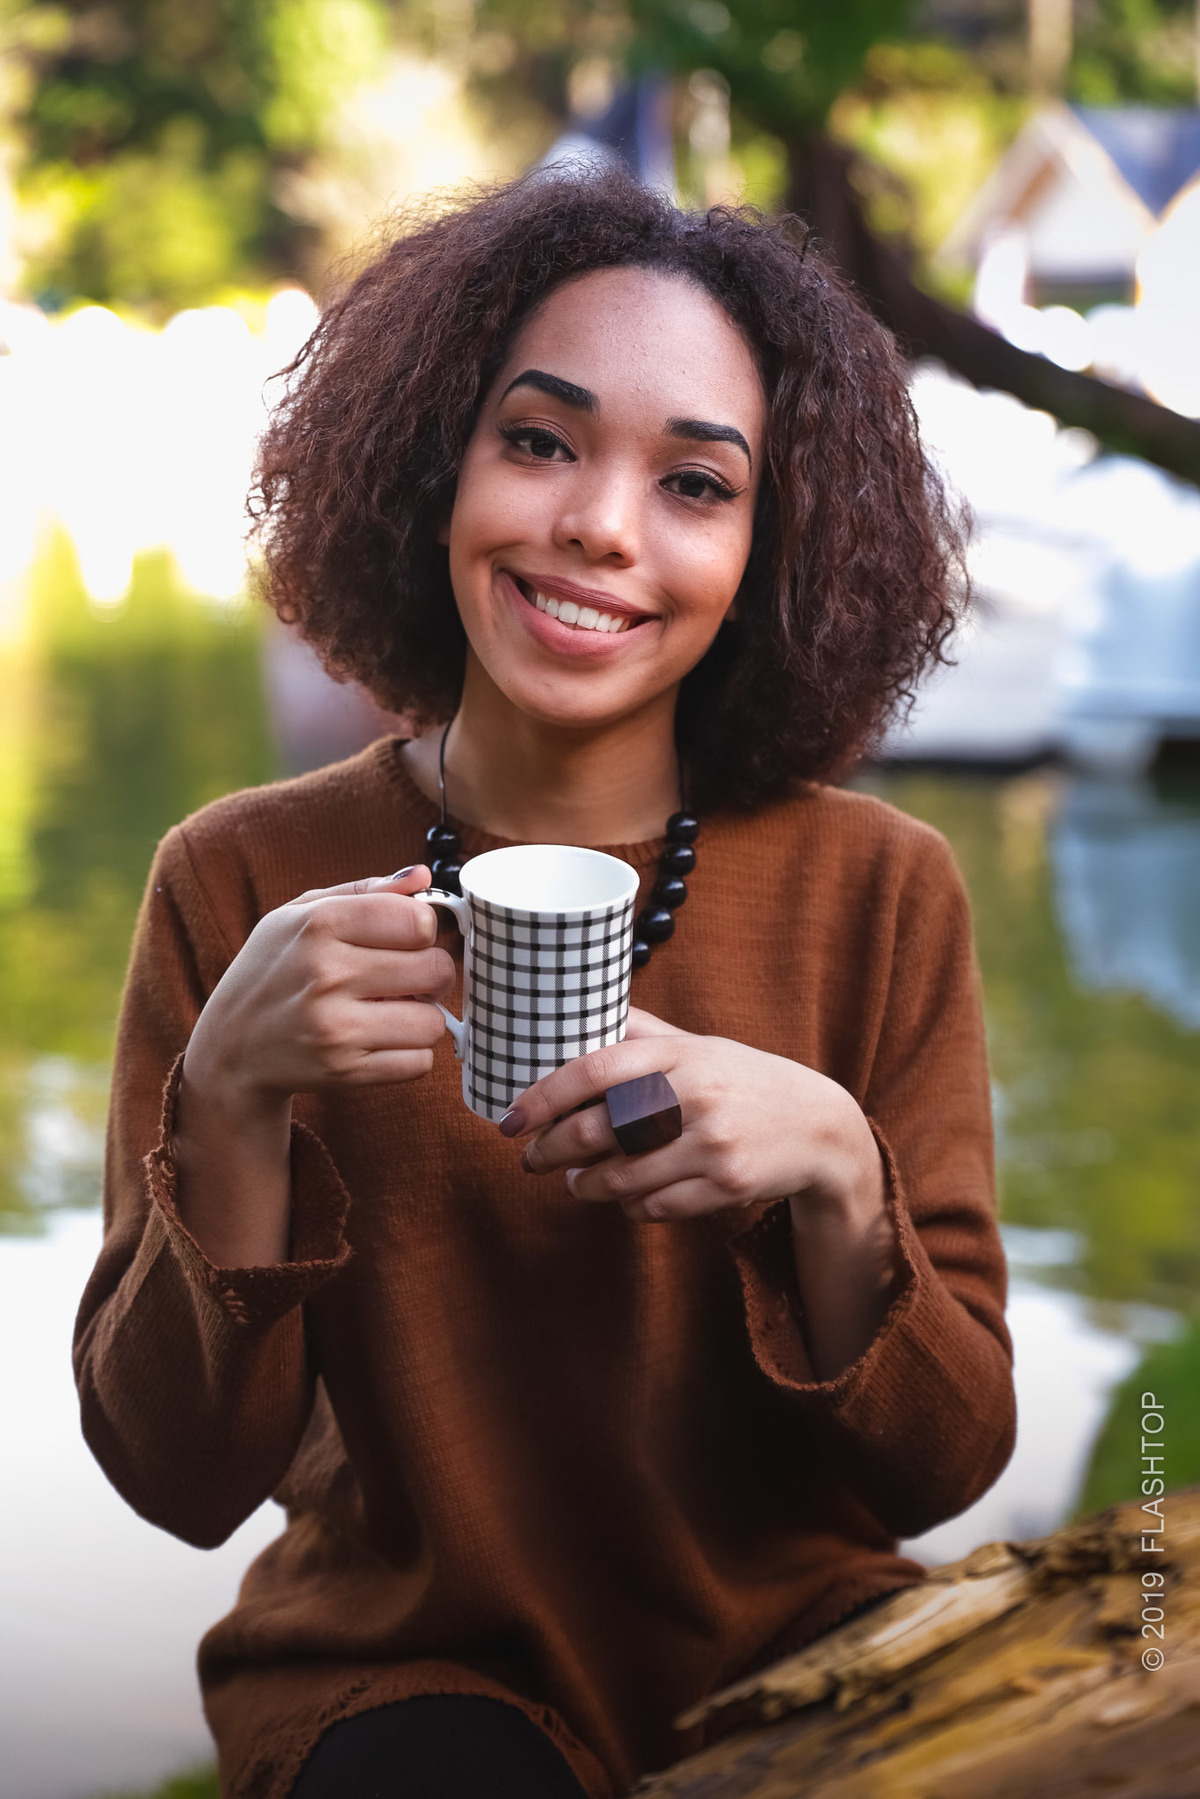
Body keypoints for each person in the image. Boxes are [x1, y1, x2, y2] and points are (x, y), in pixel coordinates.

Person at [75, 169, 1016, 1799]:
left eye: (697, 483)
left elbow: (941, 1470)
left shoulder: (883, 891)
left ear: (770, 546)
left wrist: (834, 1172)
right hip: (402, 1677)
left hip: (811, 1660)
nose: (598, 522)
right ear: (436, 462)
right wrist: (228, 1100)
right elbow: (177, 1478)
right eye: (539, 439)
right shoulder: (236, 879)